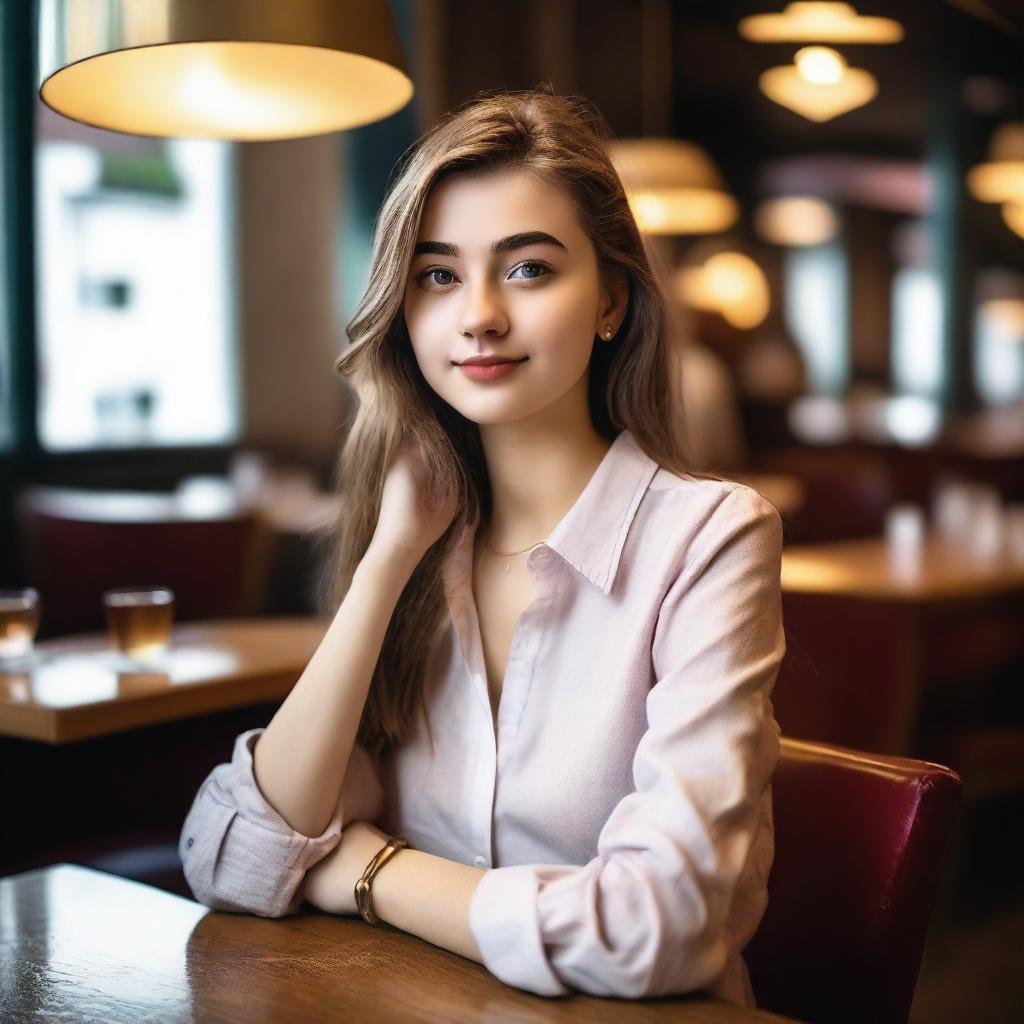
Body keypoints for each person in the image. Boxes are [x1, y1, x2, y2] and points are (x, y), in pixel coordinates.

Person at [178, 86, 785, 1006]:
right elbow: (235, 855)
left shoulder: (710, 538)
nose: (481, 316)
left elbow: (657, 930)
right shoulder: (421, 549)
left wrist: (371, 873)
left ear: (612, 298)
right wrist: (385, 564)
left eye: (530, 269)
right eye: (438, 275)